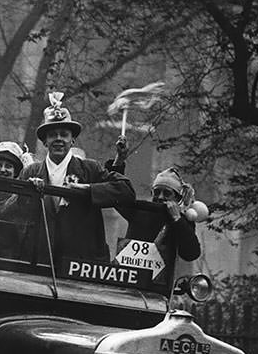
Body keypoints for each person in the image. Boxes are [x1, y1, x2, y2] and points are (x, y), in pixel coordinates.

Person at [19, 92, 135, 263]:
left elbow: (126, 191)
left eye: (64, 134)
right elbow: (11, 210)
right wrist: (28, 193)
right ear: (45, 142)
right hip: (40, 262)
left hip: (82, 265)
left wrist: (87, 189)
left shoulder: (90, 169)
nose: (59, 139)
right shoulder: (31, 172)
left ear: (72, 140)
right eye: (53, 135)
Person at [120, 167, 201, 265]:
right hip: (127, 274)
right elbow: (117, 196)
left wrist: (177, 219)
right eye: (157, 192)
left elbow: (191, 254)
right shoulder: (140, 210)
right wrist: (118, 163)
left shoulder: (182, 221)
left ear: (177, 198)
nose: (160, 197)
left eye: (167, 193)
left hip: (159, 279)